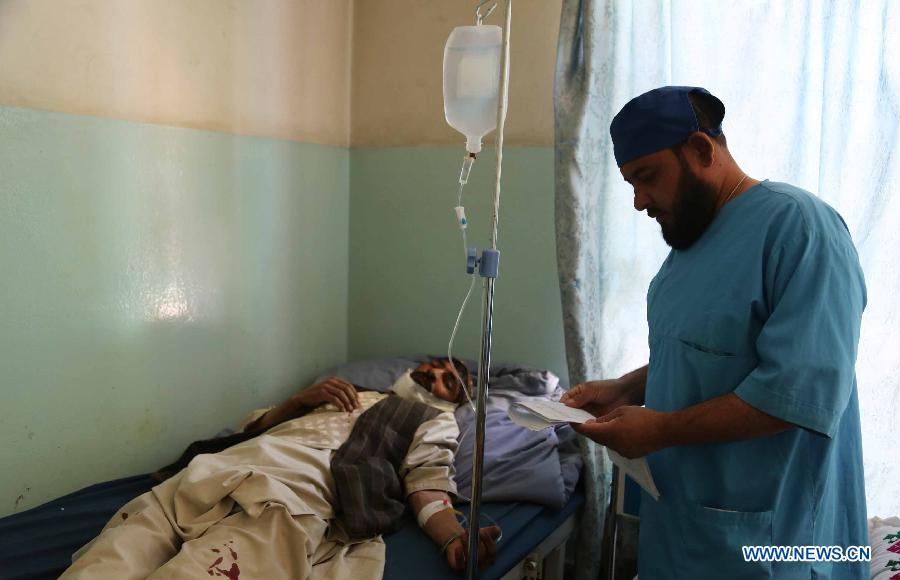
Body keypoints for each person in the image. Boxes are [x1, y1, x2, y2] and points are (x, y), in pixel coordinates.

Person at [561, 86, 867, 579]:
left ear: (702, 150)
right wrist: (625, 388)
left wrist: (658, 429)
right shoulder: (691, 240)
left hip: (772, 544)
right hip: (686, 532)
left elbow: (798, 393)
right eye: (629, 183)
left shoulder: (802, 230)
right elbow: (707, 352)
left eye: (647, 177)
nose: (639, 201)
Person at [61, 357, 501, 579]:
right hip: (212, 475)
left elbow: (428, 484)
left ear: (452, 401)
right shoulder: (342, 391)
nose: (431, 373)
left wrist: (452, 538)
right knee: (102, 566)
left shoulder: (432, 421)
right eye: (433, 365)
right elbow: (249, 430)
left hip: (290, 500)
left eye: (447, 379)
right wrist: (297, 402)